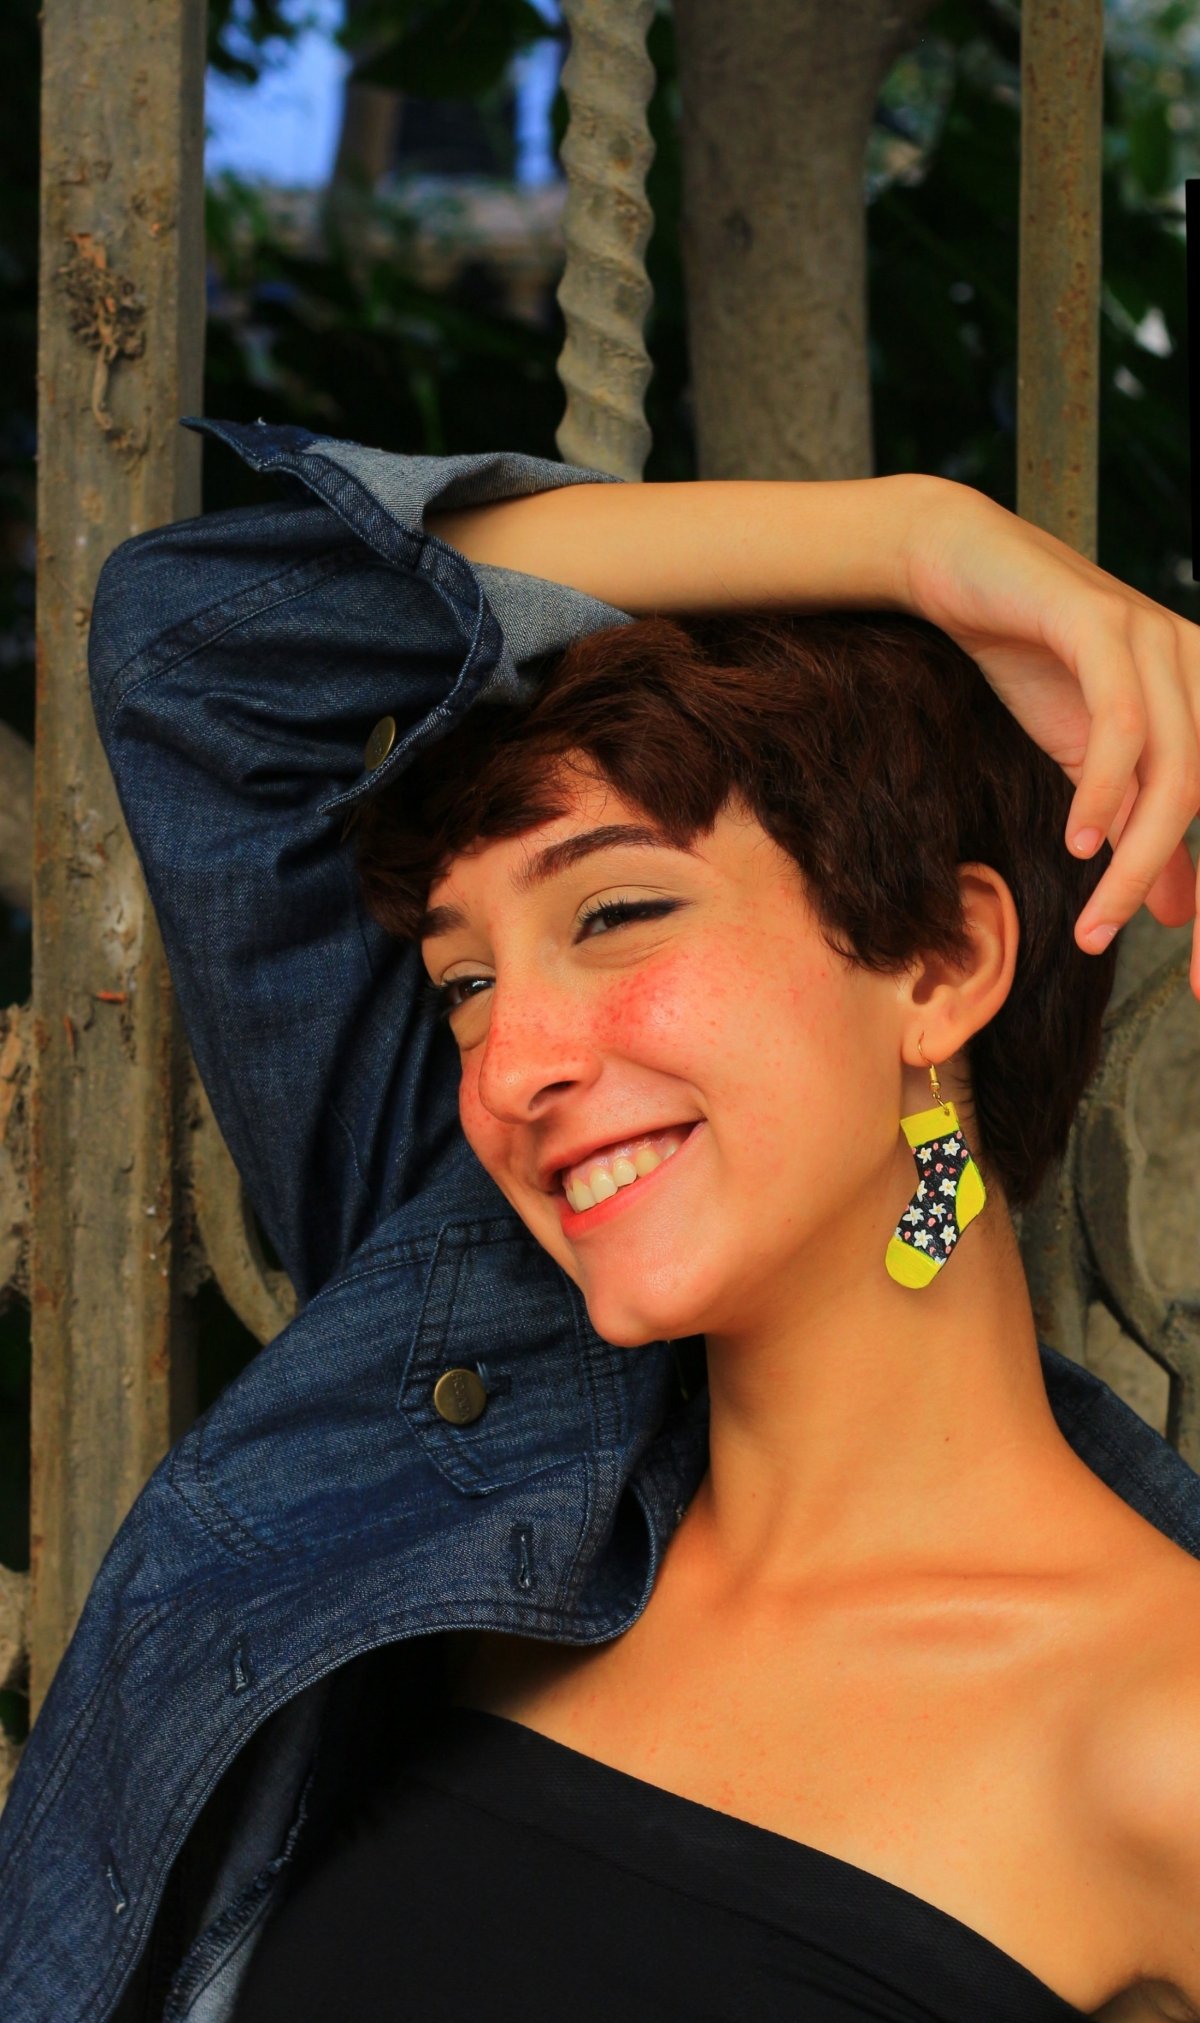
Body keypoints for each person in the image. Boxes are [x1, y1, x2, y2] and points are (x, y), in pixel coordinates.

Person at [0, 418, 1197, 2023]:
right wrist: (922, 538)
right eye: (463, 984)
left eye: (617, 913)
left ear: (940, 964)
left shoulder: (1161, 1725)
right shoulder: (459, 1408)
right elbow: (204, 648)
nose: (509, 1069)